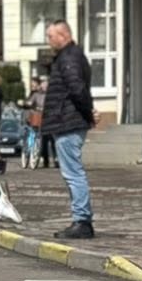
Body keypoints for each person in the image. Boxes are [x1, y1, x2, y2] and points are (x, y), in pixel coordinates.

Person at [39, 22, 96, 237]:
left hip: (67, 122)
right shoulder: (70, 56)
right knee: (72, 172)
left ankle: (82, 221)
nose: (48, 40)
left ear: (63, 35)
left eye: (50, 36)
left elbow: (77, 88)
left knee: (73, 173)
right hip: (68, 120)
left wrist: (87, 112)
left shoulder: (68, 57)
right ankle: (81, 219)